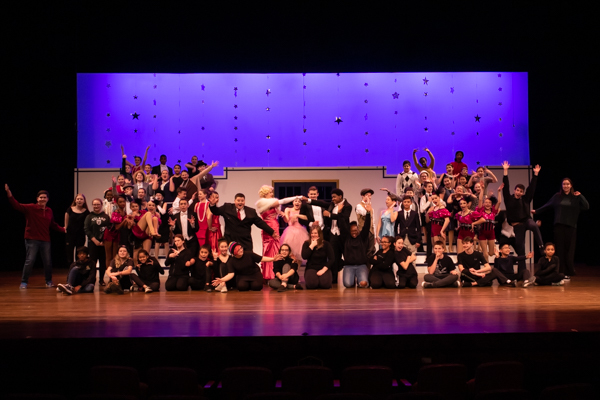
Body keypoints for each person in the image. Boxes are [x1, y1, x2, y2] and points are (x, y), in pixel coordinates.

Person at [6, 184, 65, 288]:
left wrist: (63, 229)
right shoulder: (31, 208)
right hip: (32, 239)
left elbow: (52, 224)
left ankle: (49, 281)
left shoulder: (49, 210)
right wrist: (9, 193)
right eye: (40, 197)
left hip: (45, 239)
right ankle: (24, 282)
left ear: (47, 199)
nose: (42, 199)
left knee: (47, 262)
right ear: (37, 198)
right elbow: (16, 205)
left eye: (44, 197)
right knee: (30, 261)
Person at [533, 178, 589, 279]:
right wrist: (537, 211)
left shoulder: (575, 197)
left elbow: (586, 206)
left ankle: (569, 271)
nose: (566, 186)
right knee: (559, 249)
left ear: (571, 185)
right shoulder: (557, 196)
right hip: (559, 226)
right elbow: (547, 205)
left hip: (571, 227)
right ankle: (560, 271)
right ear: (562, 186)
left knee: (569, 250)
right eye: (564, 184)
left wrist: (581, 196)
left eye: (568, 184)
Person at [502, 161, 544, 270]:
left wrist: (535, 174)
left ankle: (541, 247)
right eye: (517, 190)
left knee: (534, 226)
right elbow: (506, 187)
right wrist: (505, 171)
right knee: (520, 248)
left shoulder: (525, 199)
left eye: (521, 191)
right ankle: (522, 270)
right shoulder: (509, 199)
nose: (519, 192)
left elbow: (532, 188)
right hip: (517, 225)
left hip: (526, 221)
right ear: (515, 190)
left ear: (523, 193)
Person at [305, 188, 351, 284]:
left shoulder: (347, 206)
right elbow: (321, 203)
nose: (333, 199)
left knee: (347, 255)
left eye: (334, 197)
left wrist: (330, 215)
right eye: (332, 197)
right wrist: (308, 200)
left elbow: (343, 218)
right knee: (334, 256)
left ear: (340, 196)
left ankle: (350, 278)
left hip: (343, 235)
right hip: (333, 234)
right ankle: (333, 279)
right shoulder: (332, 205)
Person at [255, 185, 300, 279]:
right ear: (265, 194)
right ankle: (270, 274)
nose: (272, 194)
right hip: (269, 228)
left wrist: (282, 214)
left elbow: (281, 215)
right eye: (270, 192)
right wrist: (297, 197)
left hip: (275, 226)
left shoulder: (272, 204)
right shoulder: (264, 203)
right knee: (270, 250)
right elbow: (282, 201)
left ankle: (276, 272)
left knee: (276, 249)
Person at [209, 192, 279, 251]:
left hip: (245, 242)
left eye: (242, 201)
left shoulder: (251, 211)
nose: (240, 202)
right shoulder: (227, 207)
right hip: (231, 241)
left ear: (244, 201)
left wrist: (271, 232)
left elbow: (260, 223)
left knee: (247, 261)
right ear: (234, 201)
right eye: (238, 200)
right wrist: (212, 205)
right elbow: (216, 211)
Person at [212, 242, 282, 292]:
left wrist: (273, 259)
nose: (241, 250)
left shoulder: (249, 254)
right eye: (238, 250)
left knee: (257, 287)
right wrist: (222, 280)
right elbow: (231, 274)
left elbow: (261, 258)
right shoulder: (232, 261)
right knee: (242, 287)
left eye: (241, 248)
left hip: (254, 274)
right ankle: (248, 284)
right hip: (242, 276)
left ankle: (252, 284)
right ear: (234, 252)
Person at [341, 210, 372, 289]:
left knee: (363, 284)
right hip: (349, 266)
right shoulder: (346, 238)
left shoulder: (362, 237)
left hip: (361, 266)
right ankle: (353, 279)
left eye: (356, 230)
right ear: (349, 232)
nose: (354, 232)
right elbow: (342, 226)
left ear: (358, 230)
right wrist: (340, 213)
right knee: (348, 284)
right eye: (352, 231)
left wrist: (368, 213)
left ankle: (359, 279)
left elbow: (367, 226)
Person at [84, 198, 111, 286]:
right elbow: (86, 229)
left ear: (101, 205)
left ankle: (101, 280)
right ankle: (91, 280)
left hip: (104, 243)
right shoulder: (89, 216)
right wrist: (94, 240)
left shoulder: (106, 216)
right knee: (92, 262)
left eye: (98, 204)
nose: (96, 206)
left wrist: (104, 241)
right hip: (93, 243)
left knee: (103, 262)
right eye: (94, 204)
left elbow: (109, 229)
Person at [477, 184, 503, 261]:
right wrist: (482, 190)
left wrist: (499, 192)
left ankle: (490, 252)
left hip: (491, 233)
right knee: (485, 253)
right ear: (484, 204)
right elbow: (480, 199)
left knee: (491, 253)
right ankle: (487, 268)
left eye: (489, 203)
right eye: (486, 202)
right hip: (482, 233)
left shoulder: (493, 211)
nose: (487, 204)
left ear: (491, 205)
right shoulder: (481, 210)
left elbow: (499, 202)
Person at [279, 197, 310, 263]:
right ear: (293, 202)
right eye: (295, 201)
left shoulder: (302, 210)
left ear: (301, 203)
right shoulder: (288, 209)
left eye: (299, 201)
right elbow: (286, 220)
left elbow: (307, 217)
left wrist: (297, 216)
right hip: (290, 232)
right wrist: (284, 216)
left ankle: (296, 271)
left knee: (299, 254)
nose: (297, 202)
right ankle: (290, 270)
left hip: (301, 232)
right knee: (290, 252)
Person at [64, 193, 90, 266]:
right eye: (78, 199)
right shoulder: (70, 209)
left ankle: (78, 268)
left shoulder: (86, 212)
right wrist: (66, 229)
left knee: (79, 252)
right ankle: (70, 268)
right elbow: (66, 219)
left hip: (80, 235)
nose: (79, 200)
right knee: (69, 253)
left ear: (84, 201)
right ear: (75, 200)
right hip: (70, 235)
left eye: (81, 199)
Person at [355, 188, 376, 261]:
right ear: (362, 196)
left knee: (370, 252)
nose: (369, 197)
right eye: (367, 195)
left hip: (371, 232)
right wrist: (368, 203)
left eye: (370, 196)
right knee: (363, 251)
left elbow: (373, 222)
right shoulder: (359, 206)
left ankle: (368, 270)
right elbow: (365, 213)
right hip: (362, 231)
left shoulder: (371, 208)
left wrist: (375, 235)